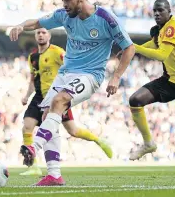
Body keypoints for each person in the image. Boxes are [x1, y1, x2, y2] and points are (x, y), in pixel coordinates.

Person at [9, 0, 135, 186]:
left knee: (60, 100)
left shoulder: (105, 18)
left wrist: (116, 76)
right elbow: (38, 22)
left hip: (89, 75)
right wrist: (21, 26)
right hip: (66, 73)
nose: (64, 4)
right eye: (62, 0)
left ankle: (34, 146)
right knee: (47, 115)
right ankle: (54, 175)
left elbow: (129, 47)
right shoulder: (64, 15)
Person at [20, 28, 112, 176]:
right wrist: (26, 95)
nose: (41, 35)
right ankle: (34, 166)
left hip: (57, 97)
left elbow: (71, 66)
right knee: (27, 127)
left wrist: (73, 89)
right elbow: (33, 79)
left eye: (44, 32)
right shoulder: (33, 57)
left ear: (49, 35)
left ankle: (98, 140)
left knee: (73, 131)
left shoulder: (57, 52)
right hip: (38, 97)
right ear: (35, 36)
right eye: (38, 33)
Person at [128, 0, 175, 160]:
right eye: (154, 11)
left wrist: (136, 48)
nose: (156, 13)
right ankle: (148, 143)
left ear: (169, 11)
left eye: (160, 10)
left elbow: (161, 54)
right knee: (135, 100)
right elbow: (153, 44)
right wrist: (131, 49)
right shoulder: (162, 29)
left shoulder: (173, 27)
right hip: (169, 81)